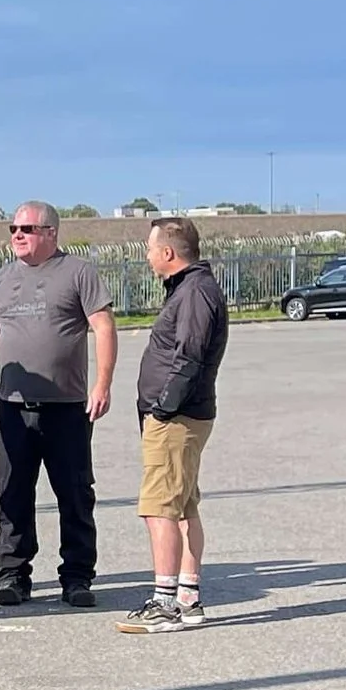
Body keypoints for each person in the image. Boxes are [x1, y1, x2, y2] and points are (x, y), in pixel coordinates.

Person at [0, 200, 116, 609]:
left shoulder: (78, 273)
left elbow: (103, 327)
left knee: (74, 494)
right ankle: (13, 575)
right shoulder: (3, 278)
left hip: (67, 407)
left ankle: (77, 577)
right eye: (14, 228)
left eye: (27, 229)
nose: (17, 234)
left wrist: (102, 385)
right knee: (11, 492)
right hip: (13, 407)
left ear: (51, 232)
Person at [118, 214, 227, 635]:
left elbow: (190, 356)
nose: (147, 257)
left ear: (167, 252)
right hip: (182, 415)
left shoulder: (195, 293)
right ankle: (187, 599)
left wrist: (162, 408)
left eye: (149, 249)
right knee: (182, 505)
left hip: (178, 418)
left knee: (160, 507)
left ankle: (164, 604)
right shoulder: (190, 289)